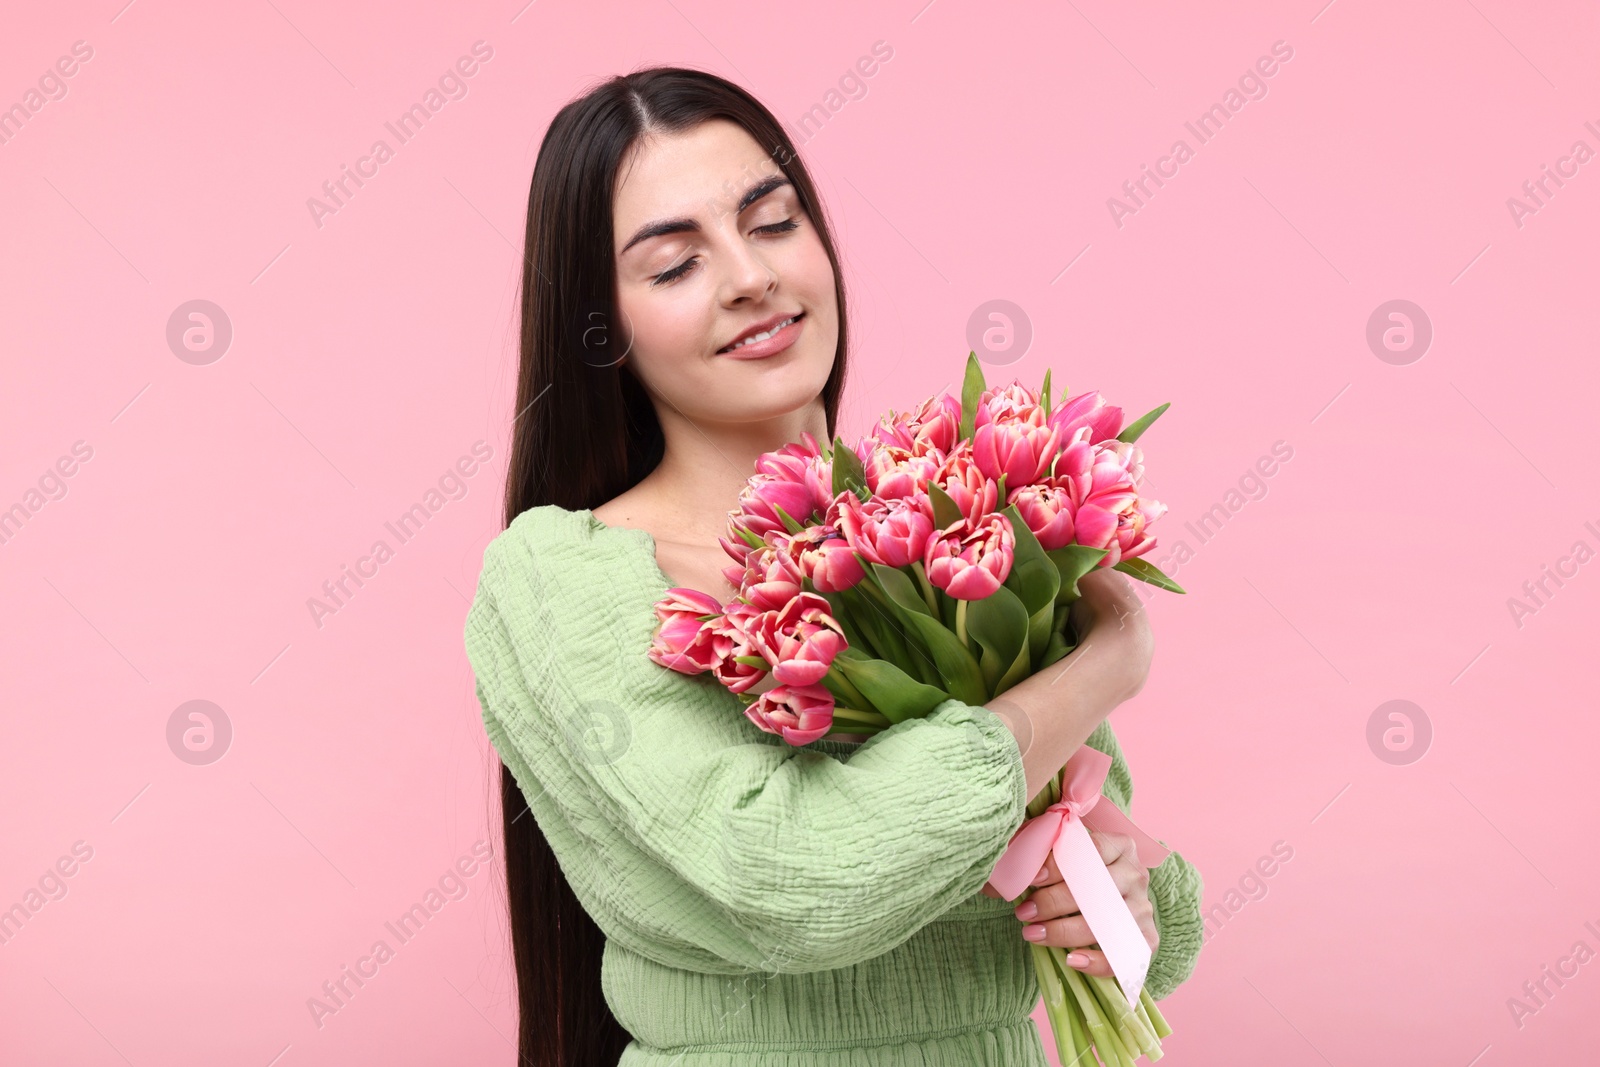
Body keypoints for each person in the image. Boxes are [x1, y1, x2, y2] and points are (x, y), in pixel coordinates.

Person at [463, 66, 1203, 1067]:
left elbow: (1089, 837)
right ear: (604, 329)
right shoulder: (564, 578)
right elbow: (795, 882)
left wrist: (1121, 909)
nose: (749, 276)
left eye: (772, 222)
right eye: (675, 263)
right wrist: (1112, 657)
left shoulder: (946, 516)